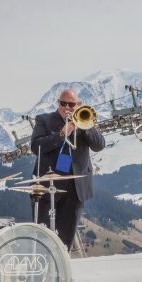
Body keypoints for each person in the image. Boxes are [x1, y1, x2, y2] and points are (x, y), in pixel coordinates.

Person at [30, 88, 105, 250]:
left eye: (71, 105)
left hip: (75, 187)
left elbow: (99, 145)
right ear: (58, 104)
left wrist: (85, 126)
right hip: (48, 185)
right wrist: (60, 135)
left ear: (78, 105)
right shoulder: (44, 120)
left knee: (66, 240)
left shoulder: (86, 121)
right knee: (43, 238)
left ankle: (63, 270)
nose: (67, 108)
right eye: (63, 103)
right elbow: (36, 146)